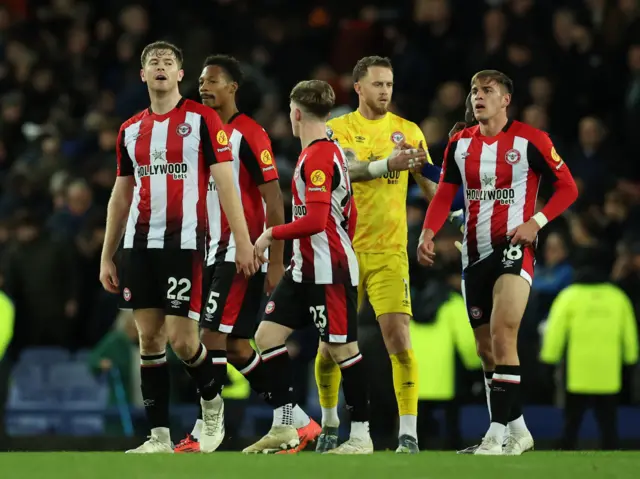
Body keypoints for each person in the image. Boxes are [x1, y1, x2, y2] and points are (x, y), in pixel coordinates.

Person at [99, 41, 257, 454]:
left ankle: (212, 406)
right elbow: (120, 194)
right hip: (139, 242)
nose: (161, 67)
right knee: (148, 339)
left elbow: (225, 182)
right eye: (153, 62)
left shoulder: (203, 120)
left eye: (169, 62)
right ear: (143, 75)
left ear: (180, 74)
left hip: (185, 241)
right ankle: (158, 437)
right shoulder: (130, 130)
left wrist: (243, 242)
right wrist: (107, 254)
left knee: (184, 341)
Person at [418, 70, 578, 455]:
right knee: (485, 349)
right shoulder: (458, 144)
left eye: (487, 91)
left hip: (513, 248)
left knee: (504, 335)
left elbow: (568, 188)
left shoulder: (530, 140)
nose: (478, 96)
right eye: (474, 90)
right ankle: (518, 430)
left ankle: (493, 435)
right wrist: (426, 232)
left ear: (506, 99)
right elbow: (445, 194)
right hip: (473, 254)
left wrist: (535, 222)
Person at [174, 55, 320, 453]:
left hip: (240, 253)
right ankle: (296, 417)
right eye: (201, 81)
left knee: (209, 337)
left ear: (233, 87)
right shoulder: (198, 133)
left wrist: (275, 261)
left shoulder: (250, 133)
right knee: (238, 347)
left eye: (213, 81)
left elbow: (275, 201)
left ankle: (209, 427)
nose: (204, 87)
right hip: (208, 253)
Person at [241, 80, 372, 455]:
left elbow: (314, 220)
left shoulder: (317, 157)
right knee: (266, 337)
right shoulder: (323, 152)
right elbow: (351, 214)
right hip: (303, 269)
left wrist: (270, 235)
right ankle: (286, 424)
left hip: (328, 268)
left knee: (342, 349)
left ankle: (361, 435)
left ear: (295, 112)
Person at [318, 56, 436, 454]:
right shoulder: (336, 130)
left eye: (389, 84)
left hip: (389, 252)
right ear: (359, 88)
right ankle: (330, 425)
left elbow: (430, 183)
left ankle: (408, 434)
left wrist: (446, 221)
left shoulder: (408, 131)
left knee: (399, 339)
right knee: (329, 347)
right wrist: (388, 163)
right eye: (378, 84)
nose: (385, 91)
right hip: (342, 250)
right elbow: (342, 172)